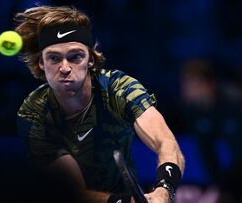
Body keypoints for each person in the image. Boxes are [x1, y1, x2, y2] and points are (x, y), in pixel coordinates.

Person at [16, 5, 185, 203]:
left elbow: (166, 143)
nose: (64, 68)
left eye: (75, 56)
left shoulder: (118, 88)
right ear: (41, 64)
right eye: (54, 58)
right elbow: (74, 193)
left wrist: (163, 191)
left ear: (90, 59)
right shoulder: (33, 113)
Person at [179, 58, 242, 203]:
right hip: (237, 172)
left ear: (206, 84)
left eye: (189, 84)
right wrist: (219, 183)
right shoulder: (192, 110)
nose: (184, 90)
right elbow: (206, 151)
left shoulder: (239, 103)